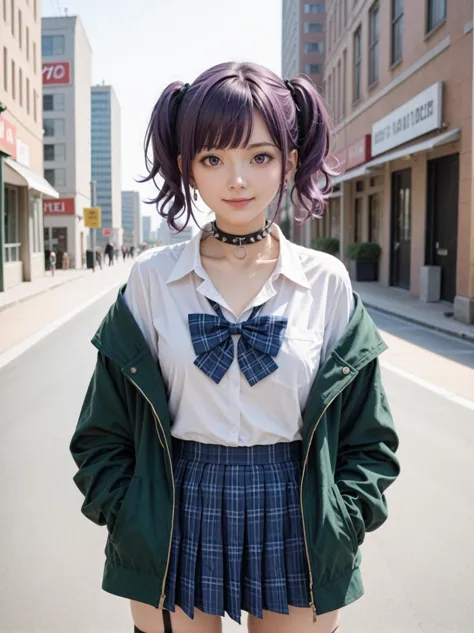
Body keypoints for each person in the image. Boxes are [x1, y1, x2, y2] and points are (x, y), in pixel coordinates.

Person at [69, 62, 400, 633]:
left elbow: (369, 432)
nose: (237, 180)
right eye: (213, 159)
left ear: (290, 162)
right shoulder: (151, 279)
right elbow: (102, 427)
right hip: (178, 500)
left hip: (295, 503)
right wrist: (126, 515)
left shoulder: (325, 282)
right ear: (188, 168)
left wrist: (343, 518)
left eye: (260, 156)